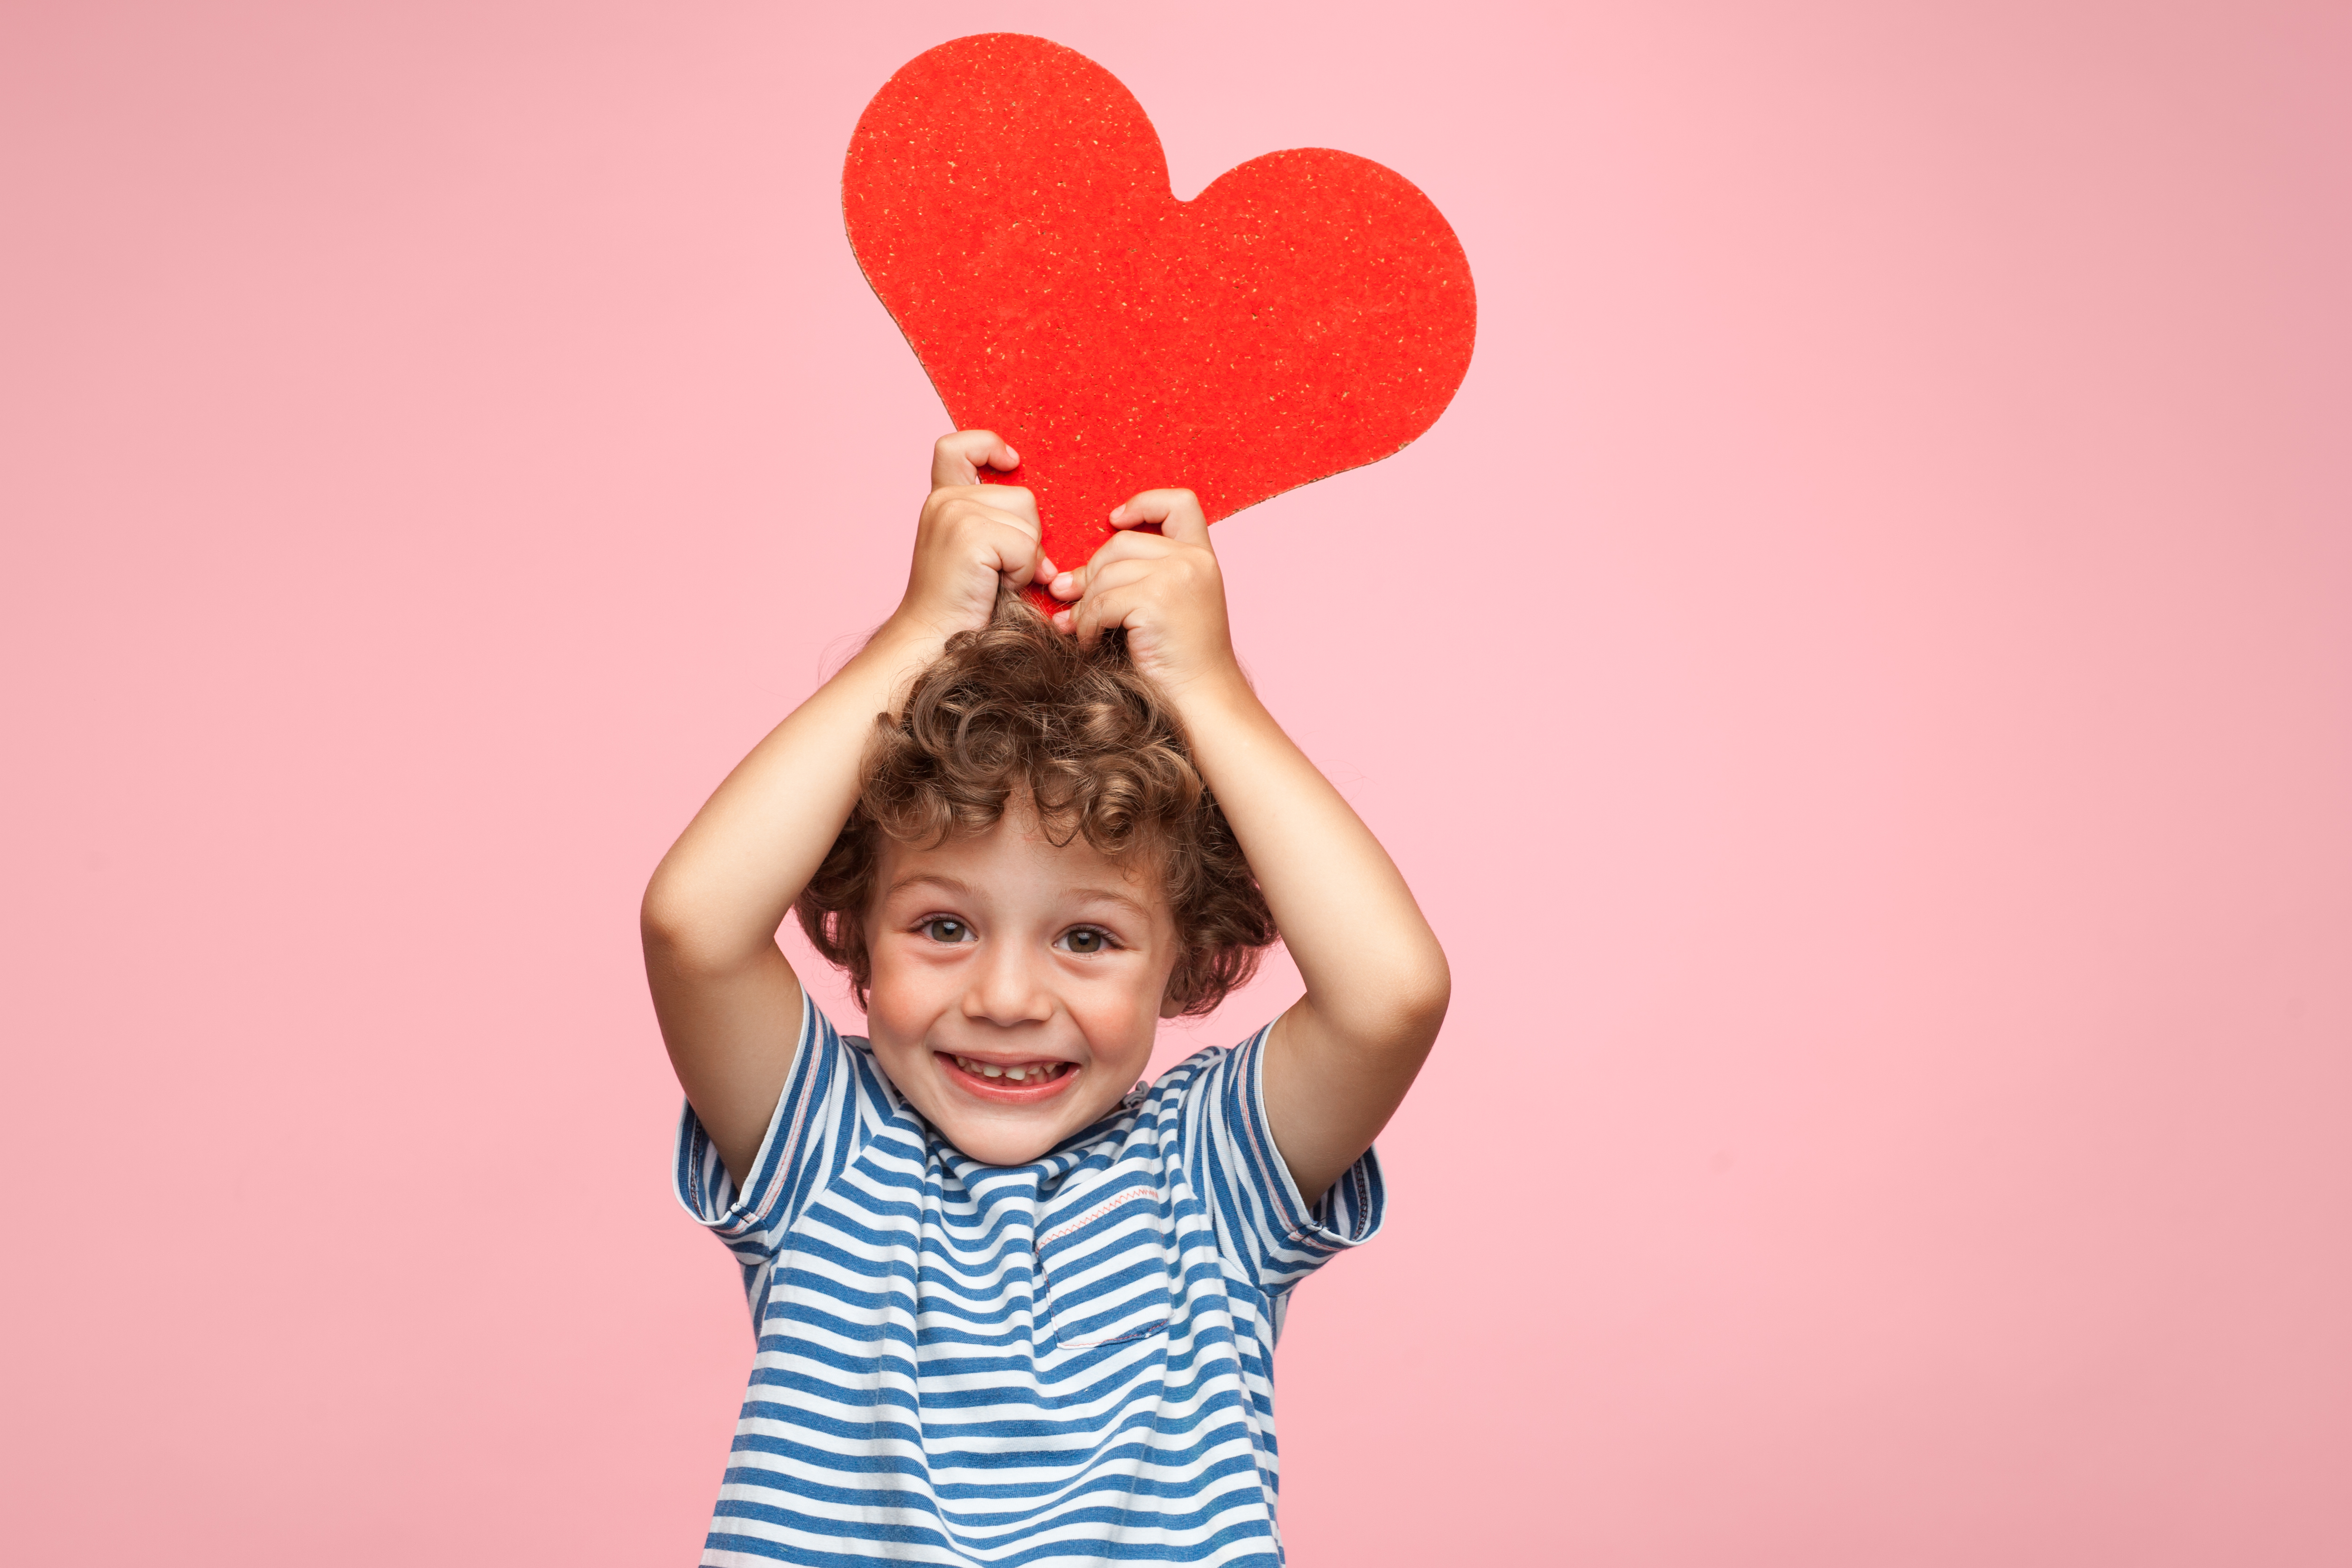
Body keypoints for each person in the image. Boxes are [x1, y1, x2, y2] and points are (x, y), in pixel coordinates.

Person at [641, 430, 1450, 1566]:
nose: (1009, 996)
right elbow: (693, 926)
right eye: (941, 926)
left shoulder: (1207, 1176)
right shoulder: (824, 1151)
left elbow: (1391, 994)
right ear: (855, 934)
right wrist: (915, 637)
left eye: (1085, 937)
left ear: (1181, 956)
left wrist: (1205, 688)